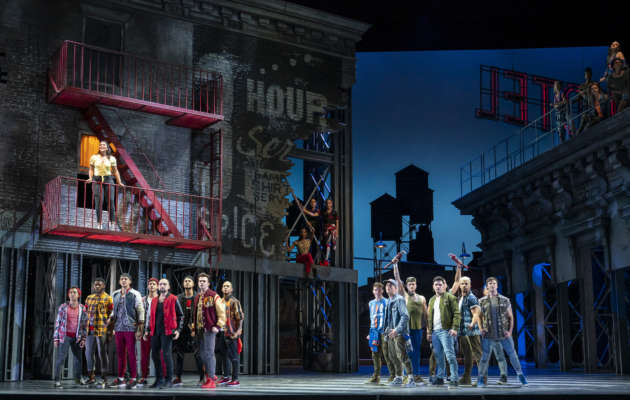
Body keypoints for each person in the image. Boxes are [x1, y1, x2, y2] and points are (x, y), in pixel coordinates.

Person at [476, 277, 528, 387]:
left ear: (497, 285)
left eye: (494, 283)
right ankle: (480, 378)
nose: (492, 285)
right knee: (485, 358)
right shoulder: (481, 301)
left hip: (503, 333)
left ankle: (520, 374)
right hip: (489, 334)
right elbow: (479, 317)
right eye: (490, 283)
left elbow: (511, 317)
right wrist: (481, 329)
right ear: (487, 286)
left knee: (512, 355)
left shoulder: (505, 300)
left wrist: (510, 331)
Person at [144, 278, 184, 389]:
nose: (162, 286)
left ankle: (169, 380)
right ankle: (159, 379)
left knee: (166, 355)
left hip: (167, 331)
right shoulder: (154, 300)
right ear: (158, 287)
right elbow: (150, 317)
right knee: (154, 355)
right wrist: (147, 330)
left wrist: (178, 330)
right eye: (161, 284)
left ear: (168, 287)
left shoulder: (174, 299)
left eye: (164, 284)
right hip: (155, 331)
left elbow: (181, 316)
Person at [108, 273, 144, 389]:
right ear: (119, 281)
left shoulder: (135, 294)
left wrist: (140, 328)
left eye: (126, 279)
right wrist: (110, 324)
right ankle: (121, 378)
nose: (123, 281)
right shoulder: (115, 294)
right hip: (118, 327)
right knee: (120, 354)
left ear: (130, 281)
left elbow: (140, 310)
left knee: (132, 353)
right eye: (122, 279)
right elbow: (112, 311)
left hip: (130, 327)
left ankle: (134, 378)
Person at [393, 263, 427, 384]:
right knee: (406, 353)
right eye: (410, 284)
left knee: (416, 353)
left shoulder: (422, 298)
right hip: (407, 330)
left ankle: (416, 375)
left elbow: (426, 314)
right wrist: (395, 265)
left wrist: (428, 329)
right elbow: (397, 279)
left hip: (418, 329)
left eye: (413, 284)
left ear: (416, 285)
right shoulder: (405, 296)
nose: (412, 286)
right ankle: (407, 375)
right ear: (406, 286)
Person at [449, 264, 482, 386]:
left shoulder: (471, 298)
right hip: (463, 331)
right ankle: (466, 378)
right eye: (462, 283)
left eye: (466, 284)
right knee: (467, 355)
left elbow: (476, 313)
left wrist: (472, 324)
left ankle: (482, 378)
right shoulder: (461, 298)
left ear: (470, 285)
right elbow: (456, 280)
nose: (464, 285)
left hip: (472, 331)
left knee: (477, 354)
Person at [193, 272, 227, 389]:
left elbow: (222, 312)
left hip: (210, 329)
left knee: (209, 354)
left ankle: (211, 379)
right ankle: (210, 375)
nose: (201, 283)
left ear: (208, 283)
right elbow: (195, 314)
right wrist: (194, 327)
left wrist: (218, 326)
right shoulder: (197, 297)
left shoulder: (214, 295)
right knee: (201, 354)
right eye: (200, 281)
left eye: (204, 281)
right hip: (199, 329)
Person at [427, 276, 460, 388]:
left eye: (440, 284)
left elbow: (457, 314)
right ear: (433, 286)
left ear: (445, 286)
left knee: (450, 356)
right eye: (436, 285)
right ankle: (440, 377)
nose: (438, 286)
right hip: (435, 332)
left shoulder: (450, 297)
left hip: (446, 331)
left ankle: (454, 378)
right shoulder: (431, 300)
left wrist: (454, 328)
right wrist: (429, 332)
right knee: (438, 356)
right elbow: (429, 317)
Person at [53, 287, 88, 388]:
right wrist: (56, 338)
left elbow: (84, 324)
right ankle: (57, 380)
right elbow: (58, 322)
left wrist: (83, 338)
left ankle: (78, 378)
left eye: (74, 292)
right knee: (61, 358)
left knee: (78, 359)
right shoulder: (63, 307)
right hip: (65, 336)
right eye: (71, 292)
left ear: (78, 295)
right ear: (68, 295)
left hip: (77, 337)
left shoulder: (82, 308)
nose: (72, 294)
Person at [381, 279, 413, 387]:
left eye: (390, 286)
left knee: (402, 356)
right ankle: (399, 377)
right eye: (387, 286)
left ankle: (410, 378)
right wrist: (386, 333)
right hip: (390, 333)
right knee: (393, 356)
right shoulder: (388, 301)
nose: (387, 287)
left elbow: (405, 316)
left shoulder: (399, 299)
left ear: (396, 288)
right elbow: (387, 319)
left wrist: (397, 330)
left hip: (399, 333)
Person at [86, 140, 124, 231]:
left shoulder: (112, 158)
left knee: (111, 200)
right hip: (97, 179)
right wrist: (90, 178)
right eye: (100, 145)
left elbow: (115, 171)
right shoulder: (94, 157)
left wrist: (119, 182)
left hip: (108, 179)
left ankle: (112, 221)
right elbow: (91, 169)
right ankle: (99, 223)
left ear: (107, 147)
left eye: (103, 145)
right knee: (99, 201)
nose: (101, 146)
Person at [174, 276, 204, 386]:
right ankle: (178, 378)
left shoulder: (198, 297)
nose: (187, 283)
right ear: (183, 284)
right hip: (181, 330)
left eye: (189, 281)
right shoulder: (178, 298)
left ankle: (202, 378)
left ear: (193, 284)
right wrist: (177, 328)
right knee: (179, 354)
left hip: (194, 330)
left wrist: (196, 327)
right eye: (185, 281)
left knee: (198, 354)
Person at [85, 278, 114, 387]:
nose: (97, 286)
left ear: (103, 286)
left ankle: (104, 377)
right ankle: (91, 377)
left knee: (102, 353)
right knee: (88, 353)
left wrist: (110, 330)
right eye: (95, 284)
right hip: (89, 330)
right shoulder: (89, 298)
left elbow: (111, 315)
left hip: (101, 329)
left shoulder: (108, 298)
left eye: (99, 285)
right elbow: (85, 313)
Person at [216, 281, 244, 386]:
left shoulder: (234, 301)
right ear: (221, 289)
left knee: (234, 356)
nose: (225, 288)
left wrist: (238, 331)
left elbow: (240, 317)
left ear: (231, 289)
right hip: (222, 332)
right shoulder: (220, 301)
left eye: (228, 286)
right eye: (224, 286)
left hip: (231, 333)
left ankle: (235, 379)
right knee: (224, 355)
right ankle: (226, 377)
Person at [137, 278, 165, 387]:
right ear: (148, 286)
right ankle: (144, 377)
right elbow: (138, 316)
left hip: (158, 332)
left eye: (154, 284)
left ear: (157, 286)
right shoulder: (143, 300)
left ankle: (162, 377)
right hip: (146, 331)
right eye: (150, 284)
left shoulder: (161, 299)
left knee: (160, 355)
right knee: (144, 355)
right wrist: (140, 330)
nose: (152, 286)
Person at [364, 282, 388, 384]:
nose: (377, 292)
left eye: (379, 290)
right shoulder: (371, 303)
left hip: (384, 331)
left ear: (382, 291)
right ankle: (376, 376)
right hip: (374, 331)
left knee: (387, 354)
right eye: (375, 290)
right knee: (375, 355)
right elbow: (372, 318)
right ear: (373, 291)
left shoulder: (387, 302)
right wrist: (370, 332)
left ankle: (395, 376)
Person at [320, 198, 339, 266]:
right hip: (326, 229)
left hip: (332, 229)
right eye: (327, 203)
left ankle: (327, 260)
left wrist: (337, 231)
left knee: (329, 244)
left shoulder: (334, 212)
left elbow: (337, 222)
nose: (328, 204)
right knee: (325, 244)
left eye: (329, 203)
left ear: (331, 204)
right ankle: (325, 260)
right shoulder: (324, 212)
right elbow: (322, 222)